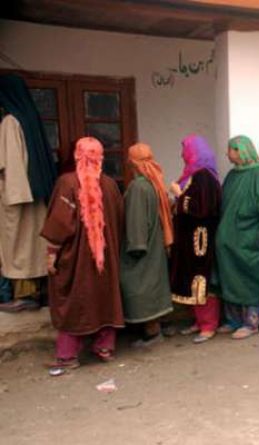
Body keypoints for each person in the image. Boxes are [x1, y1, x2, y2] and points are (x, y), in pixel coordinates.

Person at [41, 137, 124, 376]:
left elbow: (59, 224)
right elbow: (119, 220)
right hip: (105, 257)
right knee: (104, 296)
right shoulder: (109, 185)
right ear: (100, 158)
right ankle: (104, 347)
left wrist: (52, 254)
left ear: (78, 155)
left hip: (76, 258)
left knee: (73, 300)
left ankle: (67, 356)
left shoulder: (67, 184)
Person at [0, 74, 58, 313]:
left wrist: (10, 195)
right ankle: (39, 293)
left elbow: (9, 164)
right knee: (33, 246)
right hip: (34, 194)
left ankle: (24, 296)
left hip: (18, 197)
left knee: (19, 248)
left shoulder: (10, 122)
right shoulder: (30, 120)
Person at [216, 135, 259, 340]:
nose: (228, 153)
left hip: (249, 238)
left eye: (232, 150)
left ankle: (251, 322)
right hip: (229, 239)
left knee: (248, 279)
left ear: (242, 151)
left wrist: (257, 231)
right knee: (230, 277)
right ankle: (233, 320)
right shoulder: (232, 176)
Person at [169, 134, 222, 344]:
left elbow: (202, 209)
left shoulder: (204, 177)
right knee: (190, 278)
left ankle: (208, 325)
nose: (182, 154)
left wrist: (178, 195)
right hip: (189, 238)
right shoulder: (193, 175)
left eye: (186, 150)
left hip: (200, 239)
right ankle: (198, 321)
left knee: (201, 279)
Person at [120, 143, 173, 347]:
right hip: (155, 243)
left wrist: (135, 245)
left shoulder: (138, 187)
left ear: (132, 162)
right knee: (153, 283)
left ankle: (152, 332)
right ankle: (157, 327)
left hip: (143, 245)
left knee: (140, 285)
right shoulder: (153, 182)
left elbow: (136, 220)